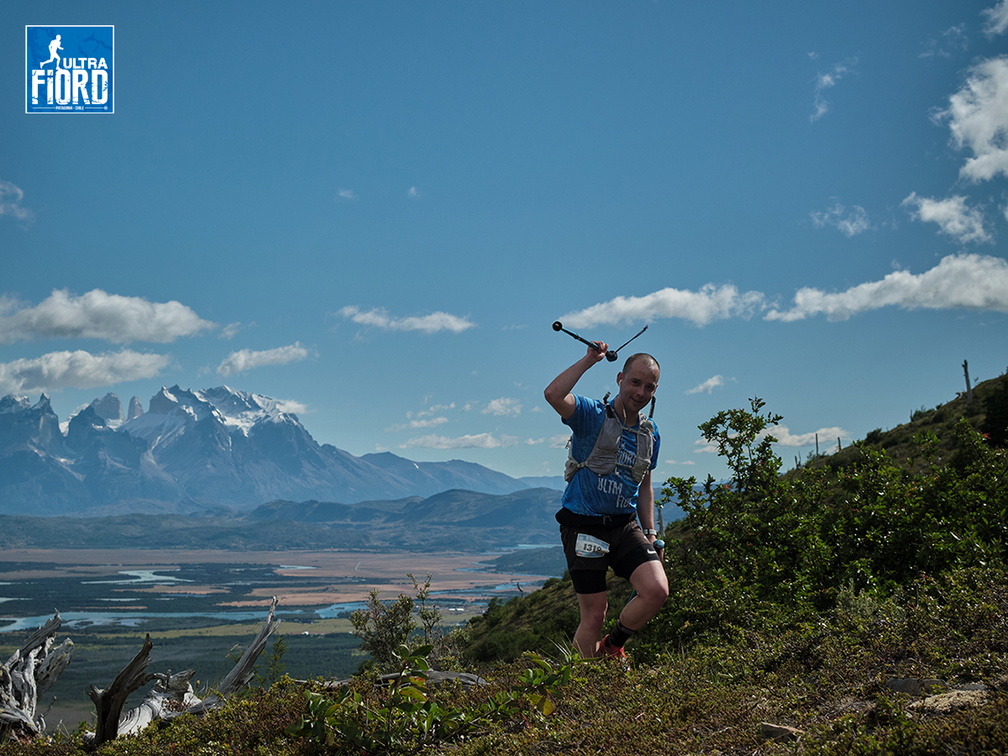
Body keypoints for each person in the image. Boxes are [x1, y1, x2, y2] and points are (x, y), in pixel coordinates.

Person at [544, 342, 668, 659]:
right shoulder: (591, 415)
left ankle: (612, 647)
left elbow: (644, 486)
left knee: (656, 590)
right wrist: (589, 360)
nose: (641, 392)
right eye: (635, 382)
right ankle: (583, 686)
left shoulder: (650, 434)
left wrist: (651, 533)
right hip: (583, 524)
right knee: (595, 614)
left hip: (623, 525)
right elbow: (554, 395)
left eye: (649, 386)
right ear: (620, 379)